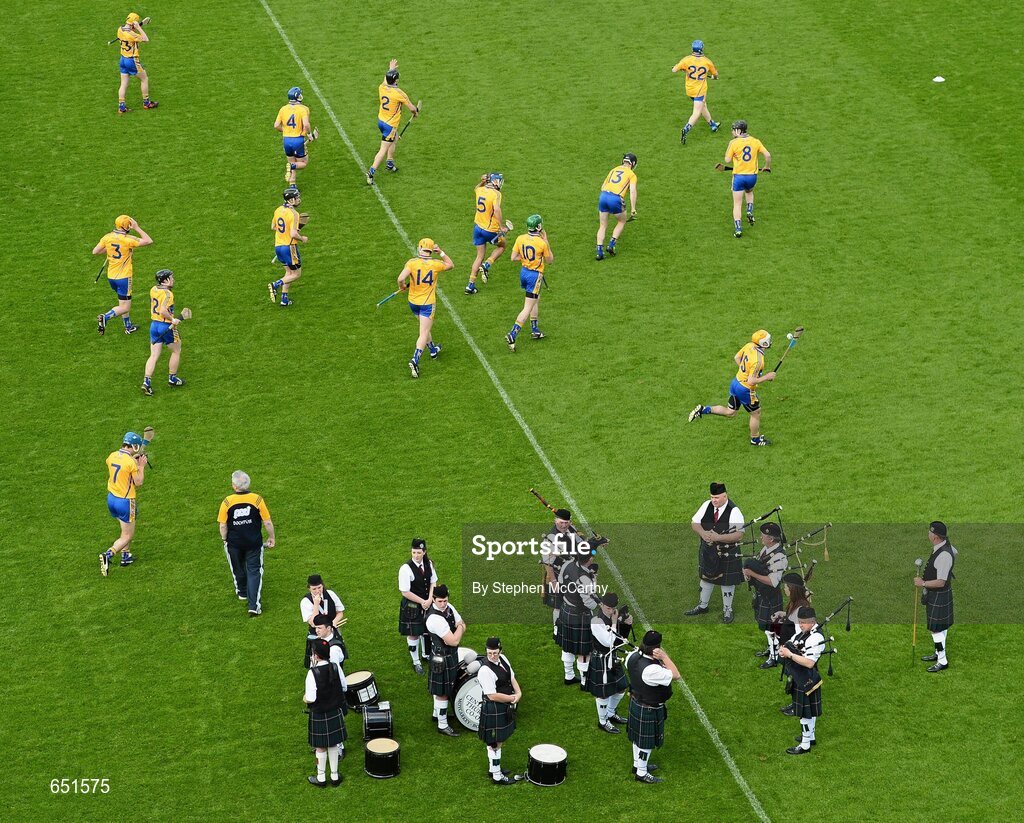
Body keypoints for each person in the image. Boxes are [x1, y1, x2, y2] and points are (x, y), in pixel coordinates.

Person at [688, 329, 777, 446]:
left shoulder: (749, 345)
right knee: (756, 413)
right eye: (768, 340)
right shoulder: (759, 361)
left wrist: (744, 372)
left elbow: (736, 357)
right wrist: (767, 377)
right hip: (745, 389)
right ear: (764, 344)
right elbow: (751, 381)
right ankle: (755, 439)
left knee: (731, 412)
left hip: (735, 383)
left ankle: (703, 409)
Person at [685, 482, 745, 622]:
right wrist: (703, 533)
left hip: (727, 551)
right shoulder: (707, 505)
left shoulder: (734, 511)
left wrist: (719, 538)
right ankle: (702, 606)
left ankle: (727, 610)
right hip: (708, 549)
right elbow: (694, 522)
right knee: (706, 577)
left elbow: (739, 534)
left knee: (726, 582)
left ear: (725, 496)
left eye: (717, 497)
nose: (714, 500)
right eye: (712, 497)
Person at [217, 470, 276, 616]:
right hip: (254, 543)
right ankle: (253, 606)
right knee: (254, 572)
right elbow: (267, 522)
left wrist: (225, 539)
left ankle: (242, 592)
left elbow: (223, 525)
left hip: (234, 544)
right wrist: (272, 537)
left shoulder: (227, 502)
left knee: (237, 568)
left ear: (234, 486)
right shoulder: (257, 500)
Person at [625, 630, 679, 783]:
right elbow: (676, 675)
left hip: (636, 702)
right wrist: (664, 657)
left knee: (637, 738)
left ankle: (637, 765)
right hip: (648, 707)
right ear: (657, 648)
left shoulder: (632, 656)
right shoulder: (652, 671)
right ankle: (641, 773)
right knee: (645, 742)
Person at [397, 239, 453, 378]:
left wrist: (402, 287)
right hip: (427, 304)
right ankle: (415, 360)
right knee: (423, 332)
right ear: (431, 250)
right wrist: (441, 252)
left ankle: (433, 349)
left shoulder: (412, 263)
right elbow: (451, 265)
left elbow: (400, 278)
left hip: (413, 302)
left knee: (424, 329)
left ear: (420, 248)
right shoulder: (436, 264)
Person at [93, 215, 152, 336]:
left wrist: (109, 250)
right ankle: (105, 317)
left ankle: (128, 326)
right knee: (125, 307)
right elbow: (148, 240)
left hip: (111, 277)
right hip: (124, 278)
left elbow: (95, 251)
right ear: (127, 226)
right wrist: (137, 227)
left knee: (122, 302)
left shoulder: (107, 237)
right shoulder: (128, 239)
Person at [100, 431, 149, 575]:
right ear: (133, 446)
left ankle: (126, 556)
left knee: (124, 528)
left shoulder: (112, 456)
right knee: (127, 535)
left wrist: (133, 461)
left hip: (112, 498)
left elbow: (122, 466)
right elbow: (138, 482)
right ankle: (108, 555)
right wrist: (140, 466)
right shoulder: (130, 463)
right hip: (125, 501)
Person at [778, 606, 825, 754]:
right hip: (802, 677)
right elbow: (792, 642)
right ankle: (810, 737)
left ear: (812, 622)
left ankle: (805, 745)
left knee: (805, 714)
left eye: (803, 622)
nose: (800, 625)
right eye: (799, 622)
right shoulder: (804, 631)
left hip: (807, 678)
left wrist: (790, 655)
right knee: (808, 711)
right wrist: (784, 649)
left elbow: (810, 662)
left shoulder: (817, 637)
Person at [477, 637, 524, 784]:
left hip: (502, 706)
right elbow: (492, 695)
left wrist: (519, 692)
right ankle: (497, 776)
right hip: (493, 707)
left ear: (500, 651)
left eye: (495, 653)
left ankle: (493, 769)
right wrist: (511, 698)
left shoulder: (503, 659)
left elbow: (511, 677)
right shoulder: (485, 670)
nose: (492, 656)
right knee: (495, 743)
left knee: (498, 740)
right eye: (489, 653)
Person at [366, 59, 419, 185]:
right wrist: (416, 113)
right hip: (390, 125)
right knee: (383, 149)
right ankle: (371, 172)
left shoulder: (382, 87)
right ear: (396, 80)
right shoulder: (399, 93)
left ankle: (390, 162)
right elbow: (412, 108)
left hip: (381, 121)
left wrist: (391, 69)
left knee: (394, 139)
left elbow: (386, 80)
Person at [744, 522, 789, 668]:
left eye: (763, 536)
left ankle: (774, 657)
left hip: (771, 596)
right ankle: (771, 650)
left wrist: (752, 574)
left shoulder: (780, 557)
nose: (760, 538)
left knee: (773, 628)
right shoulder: (766, 549)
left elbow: (772, 582)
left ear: (771, 539)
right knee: (767, 627)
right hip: (762, 594)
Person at [505, 215, 553, 352]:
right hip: (534, 275)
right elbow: (550, 261)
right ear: (538, 227)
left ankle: (535, 329)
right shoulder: (541, 243)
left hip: (524, 273)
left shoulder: (520, 238)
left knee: (535, 299)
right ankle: (513, 333)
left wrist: (526, 259)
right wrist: (547, 241)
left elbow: (513, 257)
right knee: (527, 306)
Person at [914, 521, 957, 673]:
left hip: (939, 594)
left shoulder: (944, 554)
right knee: (941, 626)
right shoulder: (945, 547)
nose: (928, 534)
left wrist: (923, 583)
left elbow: (940, 582)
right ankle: (938, 653)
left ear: (936, 537)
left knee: (936, 629)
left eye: (930, 532)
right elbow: (955, 551)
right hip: (939, 596)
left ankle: (942, 660)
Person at [303, 639, 347, 787]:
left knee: (321, 746)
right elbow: (344, 687)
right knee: (333, 744)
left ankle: (321, 777)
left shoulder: (312, 673)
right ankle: (334, 776)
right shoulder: (335, 667)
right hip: (334, 711)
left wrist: (304, 698)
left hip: (319, 713)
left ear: (315, 656)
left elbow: (311, 698)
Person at [424, 583, 465, 737]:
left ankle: (437, 714)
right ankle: (442, 724)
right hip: (442, 658)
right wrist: (459, 627)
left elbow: (461, 627)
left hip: (449, 655)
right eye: (439, 601)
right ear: (433, 600)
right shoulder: (435, 619)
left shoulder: (450, 608)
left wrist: (459, 627)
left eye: (445, 601)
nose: (443, 604)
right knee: (442, 692)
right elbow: (453, 640)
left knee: (445, 689)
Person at [589, 593, 630, 734]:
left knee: (621, 687)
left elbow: (620, 640)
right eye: (607, 607)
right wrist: (614, 622)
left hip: (612, 657)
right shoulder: (596, 621)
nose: (610, 610)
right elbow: (608, 641)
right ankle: (602, 721)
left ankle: (611, 713)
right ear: (602, 605)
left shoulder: (612, 616)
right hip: (601, 659)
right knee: (603, 694)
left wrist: (626, 625)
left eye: (613, 608)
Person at [557, 550, 599, 688]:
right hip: (580, 615)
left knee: (567, 646)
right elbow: (590, 602)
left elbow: (561, 582)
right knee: (584, 650)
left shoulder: (567, 564)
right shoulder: (585, 579)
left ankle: (568, 675)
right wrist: (594, 581)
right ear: (589, 559)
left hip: (566, 609)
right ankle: (584, 681)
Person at [724, 120, 771, 238]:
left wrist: (732, 151)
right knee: (749, 191)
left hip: (739, 177)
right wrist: (766, 166)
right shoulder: (755, 141)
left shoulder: (733, 143)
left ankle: (738, 229)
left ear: (739, 130)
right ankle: (750, 210)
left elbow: (727, 160)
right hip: (752, 177)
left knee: (737, 204)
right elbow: (768, 155)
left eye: (733, 129)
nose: (732, 131)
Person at [141, 269, 185, 396]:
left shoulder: (153, 289)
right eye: (171, 278)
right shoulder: (168, 294)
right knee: (176, 351)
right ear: (165, 280)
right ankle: (172, 378)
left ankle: (146, 382)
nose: (174, 280)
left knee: (153, 355)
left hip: (154, 325)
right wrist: (173, 319)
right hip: (166, 326)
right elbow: (163, 311)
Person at [398, 538, 437, 674]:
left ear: (424, 552)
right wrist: (423, 602)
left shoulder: (429, 564)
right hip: (412, 606)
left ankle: (427, 654)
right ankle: (416, 661)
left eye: (419, 552)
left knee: (428, 630)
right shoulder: (405, 569)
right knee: (414, 634)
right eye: (414, 552)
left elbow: (433, 582)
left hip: (427, 602)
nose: (415, 555)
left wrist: (430, 598)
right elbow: (405, 591)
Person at [776, 571, 813, 715]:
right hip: (789, 650)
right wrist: (783, 616)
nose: (784, 589)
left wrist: (790, 649)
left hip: (796, 652)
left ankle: (799, 706)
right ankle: (795, 703)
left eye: (786, 586)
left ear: (792, 589)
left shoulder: (800, 609)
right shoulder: (795, 604)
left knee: (798, 681)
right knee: (793, 679)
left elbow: (802, 632)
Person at [465, 173, 508, 294]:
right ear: (494, 182)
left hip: (478, 228)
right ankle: (486, 265)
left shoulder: (479, 190)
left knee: (479, 256)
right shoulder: (496, 194)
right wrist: (501, 226)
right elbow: (497, 209)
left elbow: (476, 188)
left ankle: (470, 285)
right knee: (502, 246)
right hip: (490, 230)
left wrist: (483, 181)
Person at [540, 508, 578, 642]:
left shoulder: (572, 529)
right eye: (561, 522)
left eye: (566, 522)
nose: (564, 525)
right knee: (558, 605)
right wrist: (554, 581)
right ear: (555, 520)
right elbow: (547, 563)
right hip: (556, 574)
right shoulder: (549, 539)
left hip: (573, 573)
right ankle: (557, 629)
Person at [672, 40, 719, 144]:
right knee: (697, 112)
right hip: (699, 91)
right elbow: (715, 75)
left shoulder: (686, 59)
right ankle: (686, 128)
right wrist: (713, 77)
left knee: (703, 106)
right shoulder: (707, 61)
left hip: (689, 89)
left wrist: (682, 69)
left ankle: (712, 124)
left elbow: (674, 70)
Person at [268, 186, 308, 307]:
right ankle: (276, 284)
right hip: (289, 247)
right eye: (296, 198)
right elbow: (293, 234)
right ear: (290, 200)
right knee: (296, 274)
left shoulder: (278, 210)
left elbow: (273, 227)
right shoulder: (294, 214)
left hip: (278, 247)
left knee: (289, 273)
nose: (298, 200)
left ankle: (284, 299)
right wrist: (302, 238)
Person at [595, 154, 638, 261]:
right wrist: (633, 208)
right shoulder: (631, 174)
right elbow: (633, 191)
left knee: (603, 225)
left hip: (603, 196)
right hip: (615, 198)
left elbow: (602, 186)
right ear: (632, 164)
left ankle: (599, 251)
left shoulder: (613, 169)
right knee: (621, 221)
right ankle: (611, 244)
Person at [301, 575, 347, 668]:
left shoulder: (330, 594)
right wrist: (316, 605)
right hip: (317, 635)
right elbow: (313, 623)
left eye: (319, 587)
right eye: (314, 589)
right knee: (319, 662)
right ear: (309, 588)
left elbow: (340, 613)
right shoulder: (305, 602)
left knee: (337, 656)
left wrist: (333, 623)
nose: (317, 591)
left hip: (333, 632)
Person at [115, 13, 157, 114]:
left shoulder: (120, 29)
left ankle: (122, 107)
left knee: (123, 83)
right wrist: (139, 28)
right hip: (132, 61)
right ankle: (146, 103)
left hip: (122, 60)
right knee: (144, 79)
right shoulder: (132, 34)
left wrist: (134, 27)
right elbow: (146, 39)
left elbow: (128, 31)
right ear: (134, 22)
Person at [275, 87, 317, 185]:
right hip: (298, 139)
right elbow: (306, 124)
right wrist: (309, 135)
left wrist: (285, 131)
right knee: (302, 163)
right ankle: (292, 166)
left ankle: (292, 185)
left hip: (286, 140)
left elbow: (276, 125)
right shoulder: (304, 109)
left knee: (291, 161)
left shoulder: (283, 109)